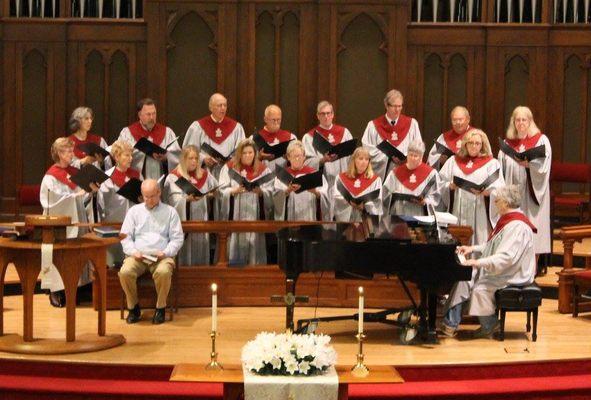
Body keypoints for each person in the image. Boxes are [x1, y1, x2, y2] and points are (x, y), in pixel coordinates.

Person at [441, 185, 537, 339]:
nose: (495, 203)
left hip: (515, 273)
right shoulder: (510, 221)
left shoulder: (517, 226)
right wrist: (472, 248)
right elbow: (494, 245)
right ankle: (450, 322)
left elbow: (506, 257)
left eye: (497, 200)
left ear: (505, 203)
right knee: (467, 279)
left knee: (479, 287)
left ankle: (490, 325)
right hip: (507, 269)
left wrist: (477, 263)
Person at [40, 137, 98, 307]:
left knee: (79, 251)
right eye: (68, 151)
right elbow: (51, 202)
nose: (72, 154)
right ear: (59, 153)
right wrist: (74, 197)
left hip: (78, 218)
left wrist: (90, 191)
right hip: (59, 224)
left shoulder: (74, 172)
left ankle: (78, 287)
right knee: (59, 253)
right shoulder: (51, 176)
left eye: (72, 150)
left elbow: (82, 199)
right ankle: (55, 290)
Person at [119, 179, 184, 324]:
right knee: (125, 272)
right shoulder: (134, 211)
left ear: (159, 193)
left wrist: (166, 252)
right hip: (138, 256)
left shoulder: (170, 212)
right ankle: (133, 307)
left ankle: (160, 308)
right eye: (145, 196)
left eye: (152, 196)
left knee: (164, 272)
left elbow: (177, 239)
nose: (149, 200)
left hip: (161, 255)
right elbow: (125, 237)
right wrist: (133, 251)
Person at [498, 106, 551, 257]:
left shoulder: (541, 140)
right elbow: (500, 166)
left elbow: (545, 165)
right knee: (515, 225)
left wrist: (530, 164)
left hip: (532, 190)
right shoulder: (507, 144)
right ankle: (515, 262)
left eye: (524, 120)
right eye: (518, 120)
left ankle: (533, 265)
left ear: (530, 121)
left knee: (533, 224)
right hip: (514, 191)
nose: (521, 123)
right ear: (513, 122)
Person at [439, 129, 504, 245]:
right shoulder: (453, 161)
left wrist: (487, 192)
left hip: (480, 210)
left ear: (482, 145)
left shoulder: (492, 163)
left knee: (479, 241)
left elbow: (500, 189)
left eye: (477, 143)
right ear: (465, 144)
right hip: (458, 209)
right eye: (471, 143)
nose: (474, 146)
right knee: (457, 241)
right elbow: (439, 184)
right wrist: (450, 186)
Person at [219, 138, 274, 265]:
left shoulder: (263, 169)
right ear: (239, 154)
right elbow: (221, 190)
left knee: (255, 243)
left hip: (255, 214)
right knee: (236, 242)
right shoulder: (229, 168)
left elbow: (271, 191)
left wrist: (261, 192)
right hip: (236, 214)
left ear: (255, 153)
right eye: (244, 153)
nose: (248, 156)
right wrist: (233, 191)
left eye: (250, 152)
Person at [164, 145, 218, 265]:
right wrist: (186, 200)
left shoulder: (205, 175)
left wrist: (212, 195)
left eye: (196, 158)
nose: (194, 161)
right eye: (190, 158)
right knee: (185, 252)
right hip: (184, 222)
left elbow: (217, 189)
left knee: (201, 249)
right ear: (183, 159)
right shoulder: (173, 177)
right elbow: (172, 200)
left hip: (201, 218)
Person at [302, 101, 354, 220]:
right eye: (323, 114)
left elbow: (352, 157)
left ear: (333, 114)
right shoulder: (309, 137)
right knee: (326, 221)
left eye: (328, 113)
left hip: (343, 181)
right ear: (317, 116)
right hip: (323, 184)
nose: (326, 116)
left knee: (343, 221)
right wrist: (322, 160)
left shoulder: (344, 133)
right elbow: (305, 163)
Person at [97, 140, 142, 266]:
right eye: (127, 155)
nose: (130, 158)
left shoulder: (136, 174)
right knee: (115, 261)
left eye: (131, 155)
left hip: (135, 224)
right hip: (115, 223)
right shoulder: (107, 176)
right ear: (116, 157)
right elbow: (102, 203)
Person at [182, 93, 246, 182]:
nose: (223, 108)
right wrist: (203, 158)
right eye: (219, 105)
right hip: (204, 174)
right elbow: (187, 151)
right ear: (211, 107)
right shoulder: (198, 127)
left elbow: (242, 151)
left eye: (225, 105)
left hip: (228, 175)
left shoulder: (236, 127)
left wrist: (232, 160)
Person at [362, 89, 422, 181]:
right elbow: (367, 150)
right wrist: (388, 157)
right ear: (386, 105)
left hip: (406, 175)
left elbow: (419, 148)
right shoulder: (373, 126)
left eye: (400, 106)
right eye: (394, 106)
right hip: (382, 177)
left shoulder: (412, 124)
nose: (397, 109)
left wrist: (406, 159)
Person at [117, 98, 180, 180]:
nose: (152, 118)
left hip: (160, 180)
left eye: (154, 114)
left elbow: (178, 157)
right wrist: (140, 152)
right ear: (140, 115)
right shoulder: (127, 133)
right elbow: (118, 155)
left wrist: (166, 157)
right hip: (134, 180)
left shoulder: (167, 133)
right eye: (148, 114)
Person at [273, 140, 329, 221]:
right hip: (289, 218)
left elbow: (325, 197)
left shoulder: (315, 174)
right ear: (288, 157)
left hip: (309, 217)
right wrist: (288, 191)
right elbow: (276, 199)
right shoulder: (282, 176)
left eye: (299, 156)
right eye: (294, 156)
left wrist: (315, 192)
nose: (297, 159)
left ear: (304, 157)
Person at [382, 140, 441, 216]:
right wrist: (394, 196)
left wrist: (425, 201)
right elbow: (384, 193)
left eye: (416, 156)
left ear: (421, 156)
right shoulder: (395, 173)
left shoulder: (431, 174)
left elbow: (435, 195)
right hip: (398, 212)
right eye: (410, 155)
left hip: (419, 213)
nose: (412, 158)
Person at [333, 147, 383, 222]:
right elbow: (336, 198)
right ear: (354, 160)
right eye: (361, 158)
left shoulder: (376, 180)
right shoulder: (340, 178)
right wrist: (349, 203)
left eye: (366, 159)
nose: (364, 162)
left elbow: (377, 202)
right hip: (346, 222)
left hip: (365, 221)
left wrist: (364, 207)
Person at [254, 104, 297, 173]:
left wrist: (290, 158)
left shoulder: (291, 137)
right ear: (265, 119)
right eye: (273, 120)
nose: (276, 123)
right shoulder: (255, 138)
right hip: (262, 177)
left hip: (284, 177)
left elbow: (298, 160)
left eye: (278, 120)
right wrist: (259, 157)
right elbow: (247, 163)